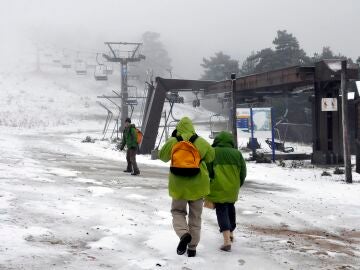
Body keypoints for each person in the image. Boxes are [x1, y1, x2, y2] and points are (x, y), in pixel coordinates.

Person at [159, 117, 215, 257]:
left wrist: (173, 141)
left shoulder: (174, 141)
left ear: (178, 127)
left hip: (178, 186)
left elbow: (162, 156)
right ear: (192, 128)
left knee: (178, 212)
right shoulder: (200, 141)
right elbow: (211, 157)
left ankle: (184, 234)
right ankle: (192, 249)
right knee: (195, 217)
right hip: (198, 186)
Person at [205, 131, 246, 252]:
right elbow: (243, 172)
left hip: (218, 186)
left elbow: (209, 170)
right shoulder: (237, 154)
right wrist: (238, 184)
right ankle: (231, 233)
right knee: (230, 207)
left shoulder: (214, 152)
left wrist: (212, 182)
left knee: (221, 210)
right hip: (233, 188)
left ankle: (227, 240)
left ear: (217, 141)